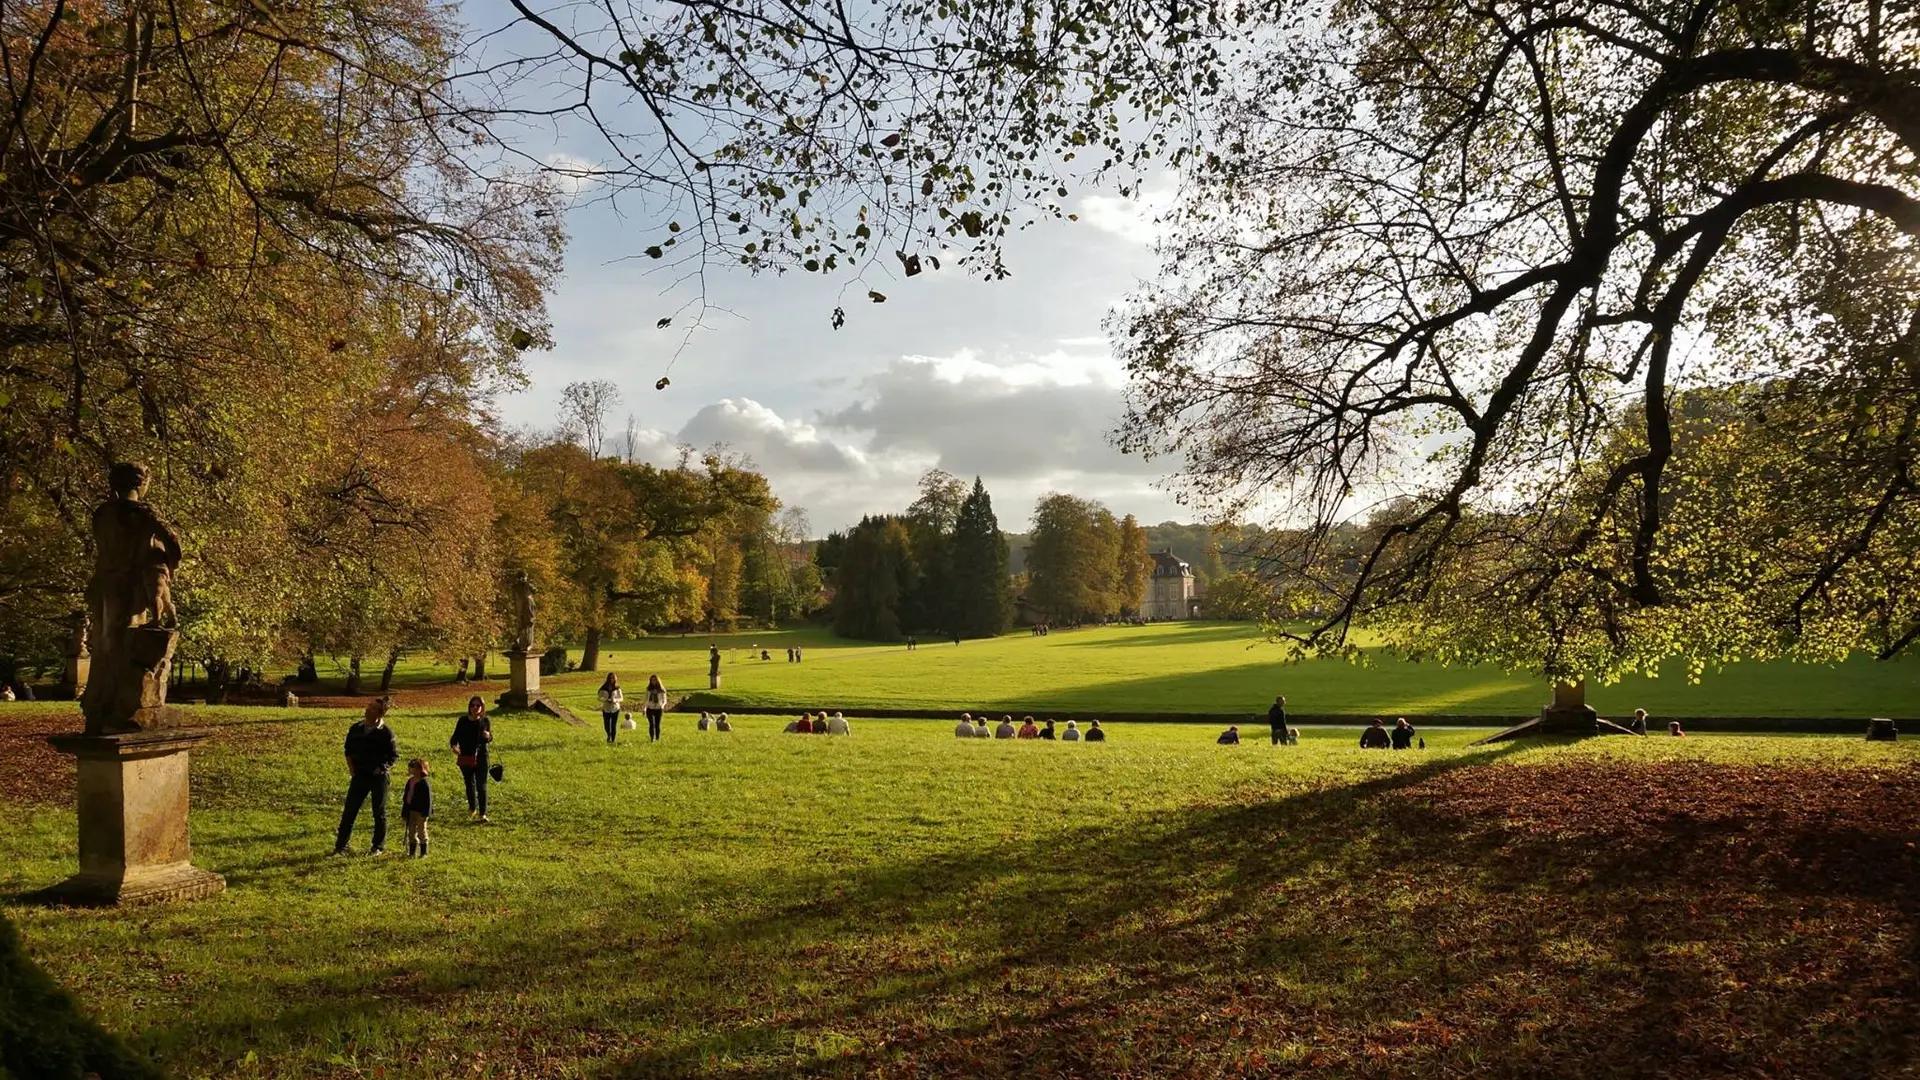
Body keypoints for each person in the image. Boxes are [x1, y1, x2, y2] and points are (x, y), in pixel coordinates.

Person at [333, 699, 399, 856]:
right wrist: (351, 768)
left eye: (373, 709)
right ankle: (341, 847)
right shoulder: (356, 728)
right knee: (349, 811)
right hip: (359, 775)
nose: (368, 710)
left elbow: (393, 756)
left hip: (378, 778)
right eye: (368, 707)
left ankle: (378, 847)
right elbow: (348, 749)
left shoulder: (386, 733)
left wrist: (381, 768)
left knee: (379, 812)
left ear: (381, 713)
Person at [448, 695, 493, 822]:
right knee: (469, 783)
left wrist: (488, 736)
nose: (475, 708)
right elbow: (454, 737)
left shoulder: (485, 721)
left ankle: (482, 813)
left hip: (481, 757)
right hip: (465, 756)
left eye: (478, 705)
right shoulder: (463, 720)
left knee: (481, 785)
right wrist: (453, 746)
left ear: (482, 707)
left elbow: (489, 739)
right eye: (472, 705)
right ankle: (472, 808)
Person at [402, 758, 432, 858]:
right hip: (411, 810)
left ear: (420, 769)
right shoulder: (410, 781)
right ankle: (412, 852)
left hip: (421, 812)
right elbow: (406, 797)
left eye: (412, 767)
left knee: (421, 831)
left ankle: (424, 853)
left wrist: (426, 813)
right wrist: (405, 811)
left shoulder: (424, 783)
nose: (410, 769)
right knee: (411, 831)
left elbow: (428, 800)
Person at [597, 673, 625, 745]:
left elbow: (621, 698)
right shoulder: (603, 688)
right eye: (610, 678)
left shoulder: (617, 688)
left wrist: (615, 700)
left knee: (613, 725)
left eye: (613, 678)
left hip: (615, 708)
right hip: (606, 708)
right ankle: (608, 735)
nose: (611, 679)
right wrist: (605, 699)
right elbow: (599, 697)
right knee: (606, 725)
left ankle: (612, 740)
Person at [643, 674, 667, 742]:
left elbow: (664, 700)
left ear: (657, 680)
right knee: (651, 724)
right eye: (652, 680)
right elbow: (645, 699)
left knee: (657, 724)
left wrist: (662, 705)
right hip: (650, 708)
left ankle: (657, 738)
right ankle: (652, 739)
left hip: (658, 708)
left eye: (654, 680)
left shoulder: (662, 690)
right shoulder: (648, 689)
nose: (653, 681)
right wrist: (644, 708)